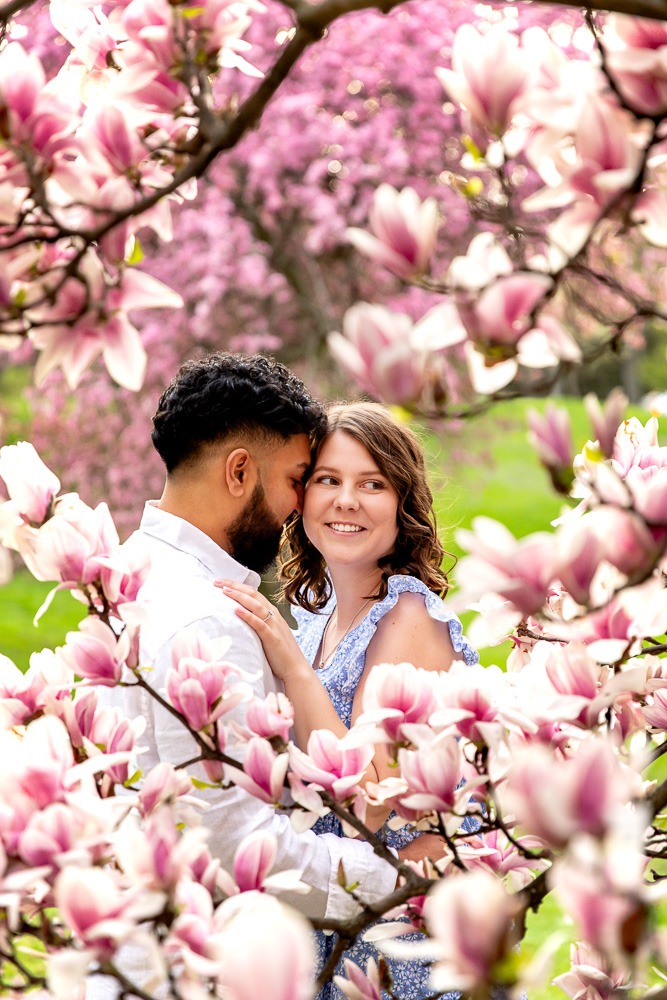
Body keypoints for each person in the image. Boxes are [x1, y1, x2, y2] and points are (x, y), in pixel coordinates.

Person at [89, 356, 435, 1000]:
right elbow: (240, 841)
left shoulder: (121, 574)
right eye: (301, 478)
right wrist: (410, 882)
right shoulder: (208, 618)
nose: (299, 504)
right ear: (240, 470)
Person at [218, 401, 478, 1000]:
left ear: (402, 504)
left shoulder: (408, 617)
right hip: (332, 914)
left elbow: (371, 802)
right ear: (302, 497)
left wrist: (288, 664)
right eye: (328, 480)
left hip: (394, 939)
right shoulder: (317, 616)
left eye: (373, 484)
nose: (346, 500)